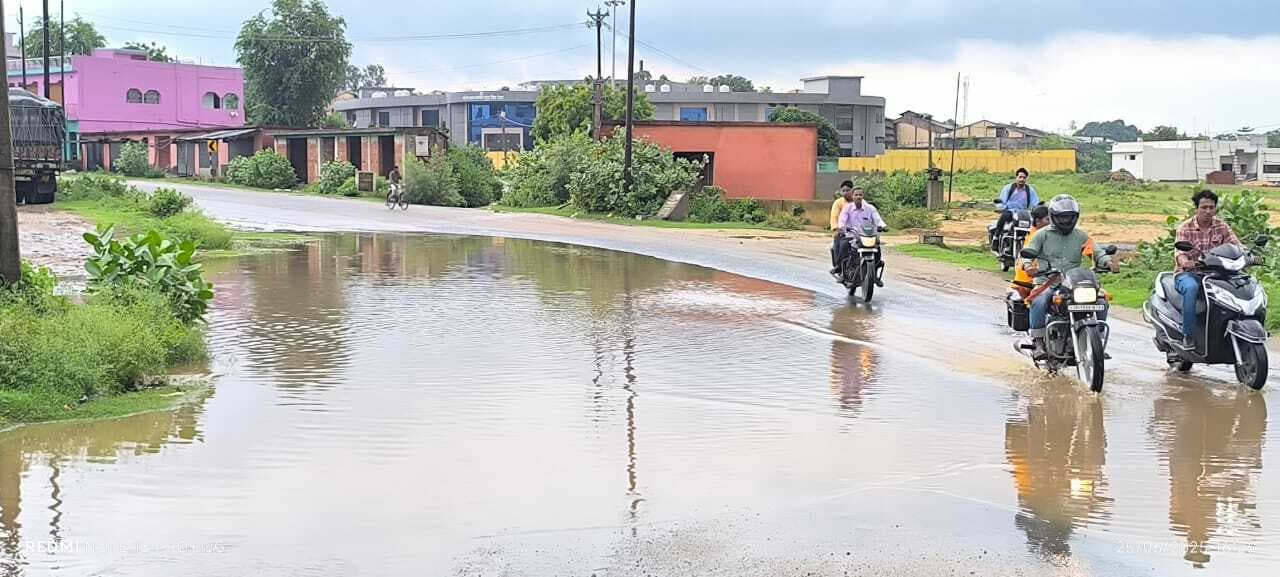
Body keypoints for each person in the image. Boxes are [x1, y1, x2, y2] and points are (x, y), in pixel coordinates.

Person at [1021, 194, 1103, 359]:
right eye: (1062, 217)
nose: (1066, 221)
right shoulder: (1041, 235)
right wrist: (1028, 265)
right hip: (1047, 282)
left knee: (1101, 300)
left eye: (1069, 217)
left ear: (1076, 217)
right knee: (1039, 300)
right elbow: (1027, 255)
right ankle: (1038, 341)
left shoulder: (1081, 236)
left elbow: (1097, 251)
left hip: (1075, 283)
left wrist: (1107, 260)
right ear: (1053, 216)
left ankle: (1096, 341)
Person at [1174, 189, 1241, 348]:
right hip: (1190, 274)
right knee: (1190, 288)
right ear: (1196, 208)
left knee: (1242, 285)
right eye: (1204, 207)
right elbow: (1180, 253)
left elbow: (1236, 245)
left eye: (1211, 207)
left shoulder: (1221, 226)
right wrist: (1185, 262)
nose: (1208, 211)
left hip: (1217, 274)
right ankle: (1188, 335)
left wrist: (1249, 256)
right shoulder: (1185, 227)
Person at [831, 186, 888, 285]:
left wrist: (883, 226)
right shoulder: (847, 208)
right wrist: (841, 227)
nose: (858, 197)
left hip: (866, 236)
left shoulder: (870, 208)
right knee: (843, 246)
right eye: (856, 195)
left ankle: (875, 275)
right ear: (852, 196)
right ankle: (842, 272)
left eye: (860, 195)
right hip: (851, 235)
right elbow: (842, 219)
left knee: (877, 249)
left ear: (863, 196)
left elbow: (877, 219)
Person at [992, 168, 1040, 251]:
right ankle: (996, 237)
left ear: (1026, 179)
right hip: (1010, 211)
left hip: (1023, 213)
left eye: (1024, 178)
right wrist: (1000, 207)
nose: (1022, 179)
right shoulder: (1008, 188)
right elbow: (1002, 201)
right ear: (1016, 177)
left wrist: (1038, 209)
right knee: (1005, 215)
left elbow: (1035, 203)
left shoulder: (1030, 190)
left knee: (1034, 224)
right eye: (1020, 177)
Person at [1009, 205, 1051, 299]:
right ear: (1038, 221)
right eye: (1048, 219)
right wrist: (1030, 267)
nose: (1052, 222)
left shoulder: (1050, 234)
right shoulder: (1036, 236)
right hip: (1031, 279)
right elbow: (1029, 258)